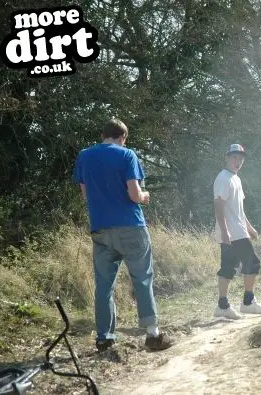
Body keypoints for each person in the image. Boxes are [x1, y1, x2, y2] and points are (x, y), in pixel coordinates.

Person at [73, 119, 173, 352]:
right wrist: (145, 196)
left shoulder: (85, 156)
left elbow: (85, 195)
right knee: (142, 278)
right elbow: (135, 194)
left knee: (104, 285)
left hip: (100, 229)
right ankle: (152, 334)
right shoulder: (127, 155)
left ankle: (104, 338)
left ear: (102, 134)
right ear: (123, 137)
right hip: (130, 227)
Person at [213, 144, 261, 319]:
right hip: (233, 233)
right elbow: (218, 206)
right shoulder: (223, 178)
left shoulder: (236, 179)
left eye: (241, 158)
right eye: (235, 157)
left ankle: (222, 307)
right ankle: (247, 303)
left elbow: (239, 210)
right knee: (252, 263)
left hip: (237, 231)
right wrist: (224, 231)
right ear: (227, 158)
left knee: (228, 268)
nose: (238, 161)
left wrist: (250, 228)